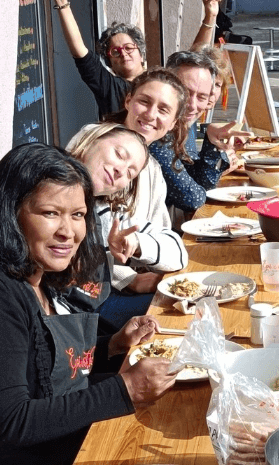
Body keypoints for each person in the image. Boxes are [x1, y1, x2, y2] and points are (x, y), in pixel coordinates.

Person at [0, 144, 177, 465]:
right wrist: (122, 391)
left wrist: (113, 347)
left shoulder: (32, 275)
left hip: (47, 457)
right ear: (10, 213)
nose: (69, 231)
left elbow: (43, 371)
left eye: (77, 215)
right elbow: (12, 422)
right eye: (50, 213)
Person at [68, 74, 190, 327]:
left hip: (104, 291)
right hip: (84, 298)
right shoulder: (96, 143)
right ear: (128, 100)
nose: (150, 114)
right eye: (145, 101)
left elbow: (168, 243)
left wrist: (138, 244)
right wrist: (129, 279)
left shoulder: (152, 169)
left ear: (173, 123)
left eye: (163, 109)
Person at [148, 50, 247, 224]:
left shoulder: (186, 125)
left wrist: (211, 139)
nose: (192, 105)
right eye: (185, 92)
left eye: (202, 96)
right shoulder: (158, 135)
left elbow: (203, 183)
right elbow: (193, 198)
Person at [46, 0, 146, 118]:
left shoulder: (161, 82)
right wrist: (61, 0)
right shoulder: (110, 88)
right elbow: (79, 51)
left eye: (128, 47)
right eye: (115, 51)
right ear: (110, 64)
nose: (123, 53)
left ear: (140, 53)